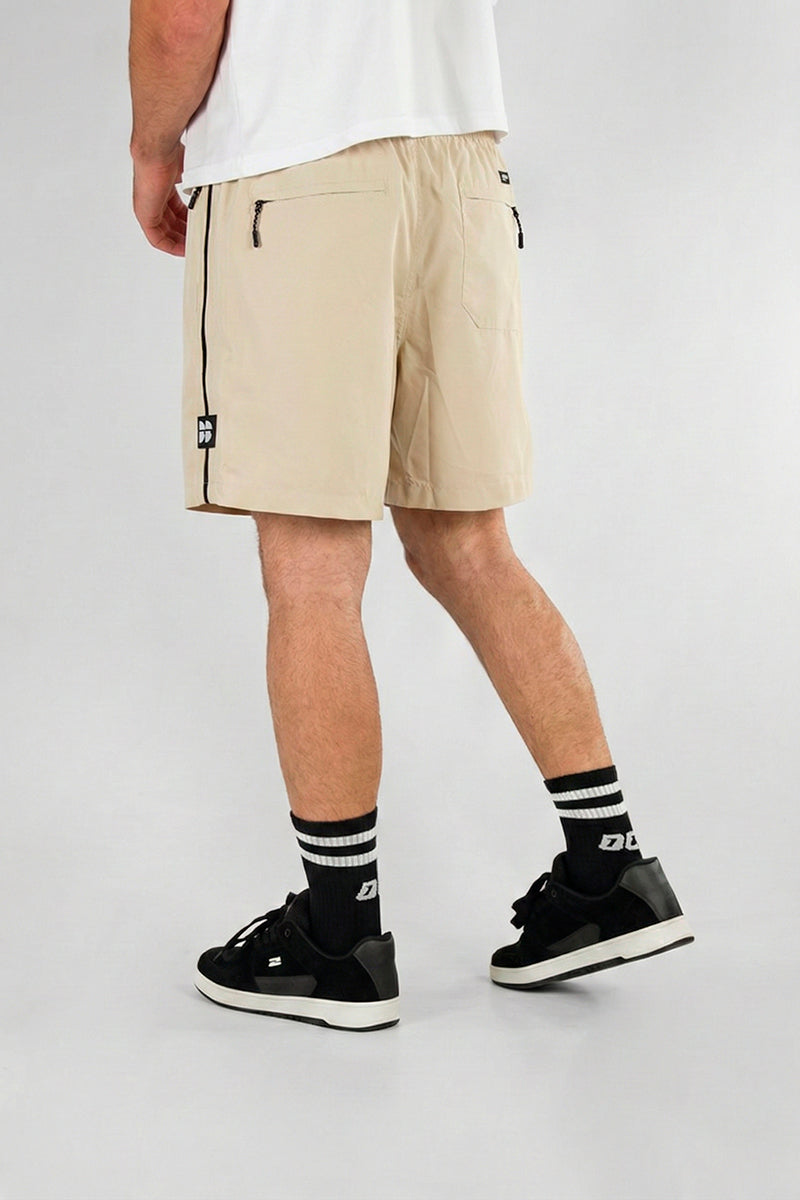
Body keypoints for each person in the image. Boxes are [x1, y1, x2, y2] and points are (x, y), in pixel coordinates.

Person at [128, 0, 693, 1032]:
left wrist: (152, 147)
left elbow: (178, 20)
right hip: (462, 166)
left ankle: (338, 938)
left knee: (311, 566)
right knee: (469, 544)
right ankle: (609, 868)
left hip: (298, 167)